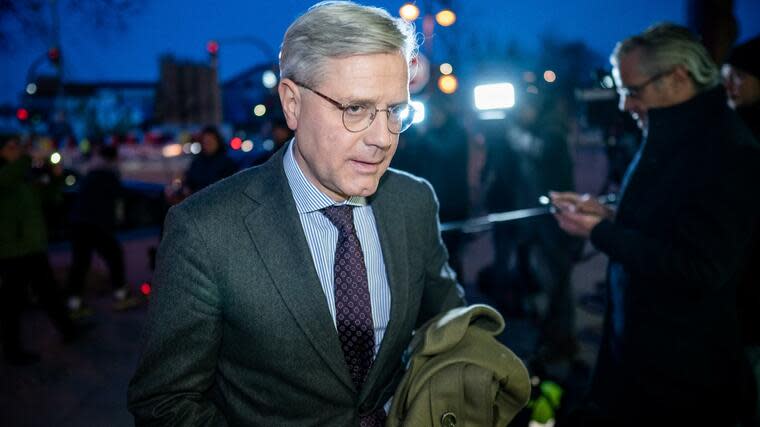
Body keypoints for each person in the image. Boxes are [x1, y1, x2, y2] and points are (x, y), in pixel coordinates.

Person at [128, 2, 465, 426]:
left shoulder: (414, 202)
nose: (383, 138)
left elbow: (453, 324)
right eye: (356, 109)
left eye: (396, 111)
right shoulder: (205, 231)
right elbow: (164, 402)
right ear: (292, 103)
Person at [550, 24, 759, 426]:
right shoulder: (675, 132)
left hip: (684, 380)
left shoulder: (727, 150)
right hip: (644, 360)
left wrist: (599, 232)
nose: (625, 104)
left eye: (634, 91)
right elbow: (669, 224)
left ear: (678, 78)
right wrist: (607, 215)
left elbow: (700, 267)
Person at [0, 135, 79, 365]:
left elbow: (48, 198)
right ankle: (12, 351)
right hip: (11, 251)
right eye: (11, 146)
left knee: (49, 293)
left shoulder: (22, 178)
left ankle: (69, 330)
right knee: (12, 304)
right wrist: (27, 156)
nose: (16, 151)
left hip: (32, 247)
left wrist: (55, 178)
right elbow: (8, 179)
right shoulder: (8, 175)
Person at [723, 35, 760, 426]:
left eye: (742, 76)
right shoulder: (732, 126)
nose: (731, 84)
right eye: (727, 75)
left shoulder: (746, 138)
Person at [65, 143, 139, 317]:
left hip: (78, 223)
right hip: (95, 224)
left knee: (80, 263)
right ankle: (121, 295)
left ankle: (74, 304)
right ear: (113, 159)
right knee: (115, 255)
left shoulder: (91, 173)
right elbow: (120, 194)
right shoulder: (107, 174)